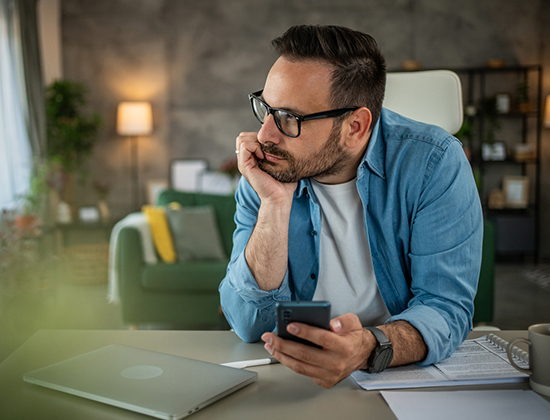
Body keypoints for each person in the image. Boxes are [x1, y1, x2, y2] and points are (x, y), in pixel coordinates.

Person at [219, 24, 483, 389]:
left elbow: (446, 307)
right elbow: (248, 324)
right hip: (290, 378)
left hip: (399, 375)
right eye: (266, 107)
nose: (265, 134)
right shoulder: (268, 167)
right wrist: (274, 205)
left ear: (355, 126)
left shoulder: (434, 164)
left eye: (289, 119)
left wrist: (369, 347)